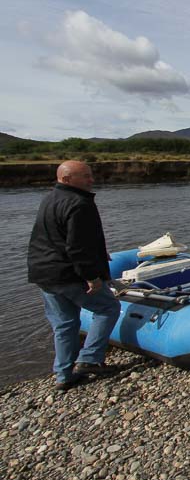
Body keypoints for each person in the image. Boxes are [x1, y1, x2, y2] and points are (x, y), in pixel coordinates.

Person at [27, 160, 121, 391]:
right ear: (67, 179)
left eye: (91, 175)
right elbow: (76, 246)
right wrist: (91, 276)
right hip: (68, 274)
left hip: (44, 273)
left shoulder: (49, 198)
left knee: (64, 324)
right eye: (86, 176)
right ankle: (89, 359)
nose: (92, 180)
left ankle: (63, 375)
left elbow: (59, 236)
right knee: (107, 308)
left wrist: (100, 253)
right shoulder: (79, 203)